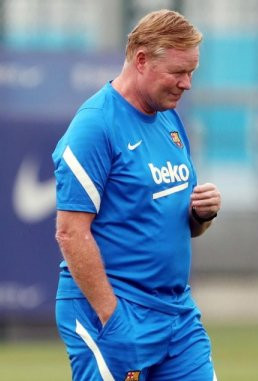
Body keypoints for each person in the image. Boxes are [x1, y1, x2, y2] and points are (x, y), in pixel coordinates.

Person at [52, 9, 221, 381]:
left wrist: (201, 215)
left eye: (191, 72)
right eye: (178, 72)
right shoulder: (95, 125)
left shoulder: (168, 118)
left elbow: (180, 225)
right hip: (115, 312)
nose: (187, 83)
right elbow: (69, 232)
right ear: (141, 60)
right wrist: (112, 316)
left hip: (176, 314)